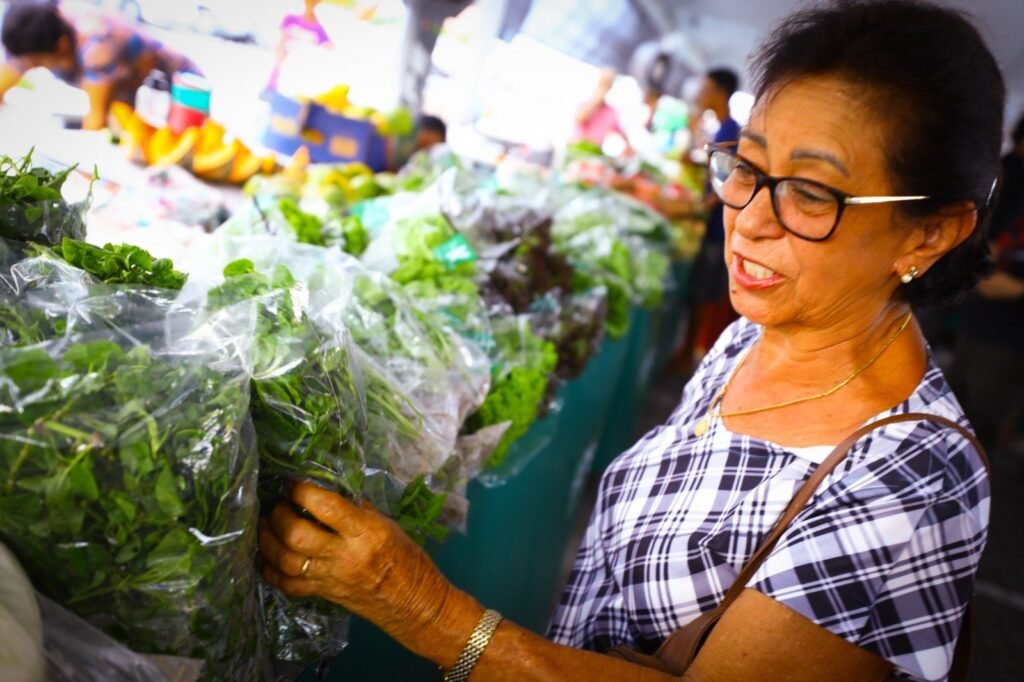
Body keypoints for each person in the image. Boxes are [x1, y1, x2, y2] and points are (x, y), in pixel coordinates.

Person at [257, 2, 999, 680]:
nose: (748, 219)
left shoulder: (908, 478)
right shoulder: (755, 338)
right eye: (747, 166)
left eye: (809, 193)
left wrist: (421, 608)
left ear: (931, 233)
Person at [0, 1, 200, 130]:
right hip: (132, 102)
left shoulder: (97, 44)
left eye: (37, 63)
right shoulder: (31, 36)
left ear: (62, 45)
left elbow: (96, 121)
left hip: (181, 91)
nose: (31, 67)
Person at [950, 115, 1024, 448]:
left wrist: (1017, 287)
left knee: (982, 422)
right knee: (957, 400)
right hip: (981, 317)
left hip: (1009, 334)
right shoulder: (1009, 171)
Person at [263, 0, 331, 98]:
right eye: (309, 2)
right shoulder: (291, 19)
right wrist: (281, 54)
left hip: (299, 69)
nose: (311, 4)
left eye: (315, 2)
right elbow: (282, 40)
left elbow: (325, 49)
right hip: (283, 60)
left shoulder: (320, 30)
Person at [573, 67, 631, 153]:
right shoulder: (584, 103)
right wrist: (596, 100)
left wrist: (629, 147)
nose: (604, 86)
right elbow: (579, 119)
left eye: (607, 83)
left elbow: (621, 132)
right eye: (603, 82)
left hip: (595, 152)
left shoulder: (612, 111)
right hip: (576, 150)